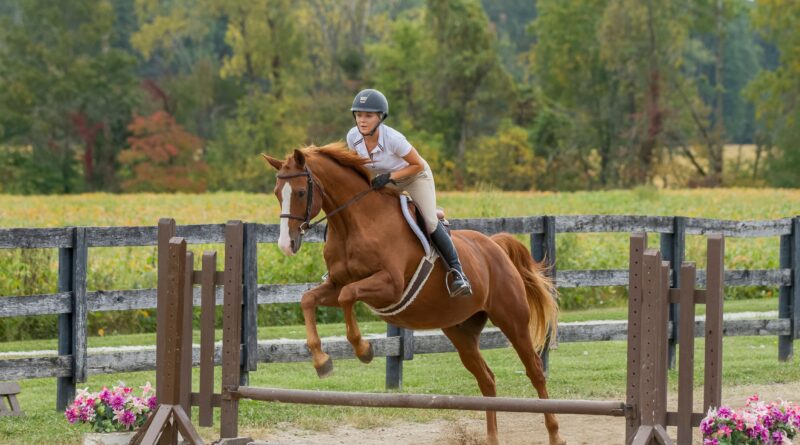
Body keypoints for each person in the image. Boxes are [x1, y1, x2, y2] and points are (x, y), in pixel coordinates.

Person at [346, 88, 472, 298]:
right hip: (387, 179)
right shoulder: (353, 137)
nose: (362, 120)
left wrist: (390, 177)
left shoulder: (394, 139)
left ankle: (457, 272)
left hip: (415, 176)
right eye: (358, 115)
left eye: (368, 115)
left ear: (380, 118)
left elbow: (417, 165)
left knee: (430, 223)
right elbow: (357, 165)